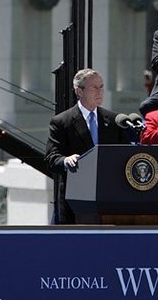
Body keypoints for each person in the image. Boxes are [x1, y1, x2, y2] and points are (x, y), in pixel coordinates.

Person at [44, 68, 128, 224]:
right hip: (76, 201)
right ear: (79, 91)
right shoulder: (62, 122)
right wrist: (65, 160)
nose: (99, 91)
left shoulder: (114, 120)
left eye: (101, 86)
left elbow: (125, 153)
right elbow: (51, 158)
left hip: (108, 199)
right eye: (94, 87)